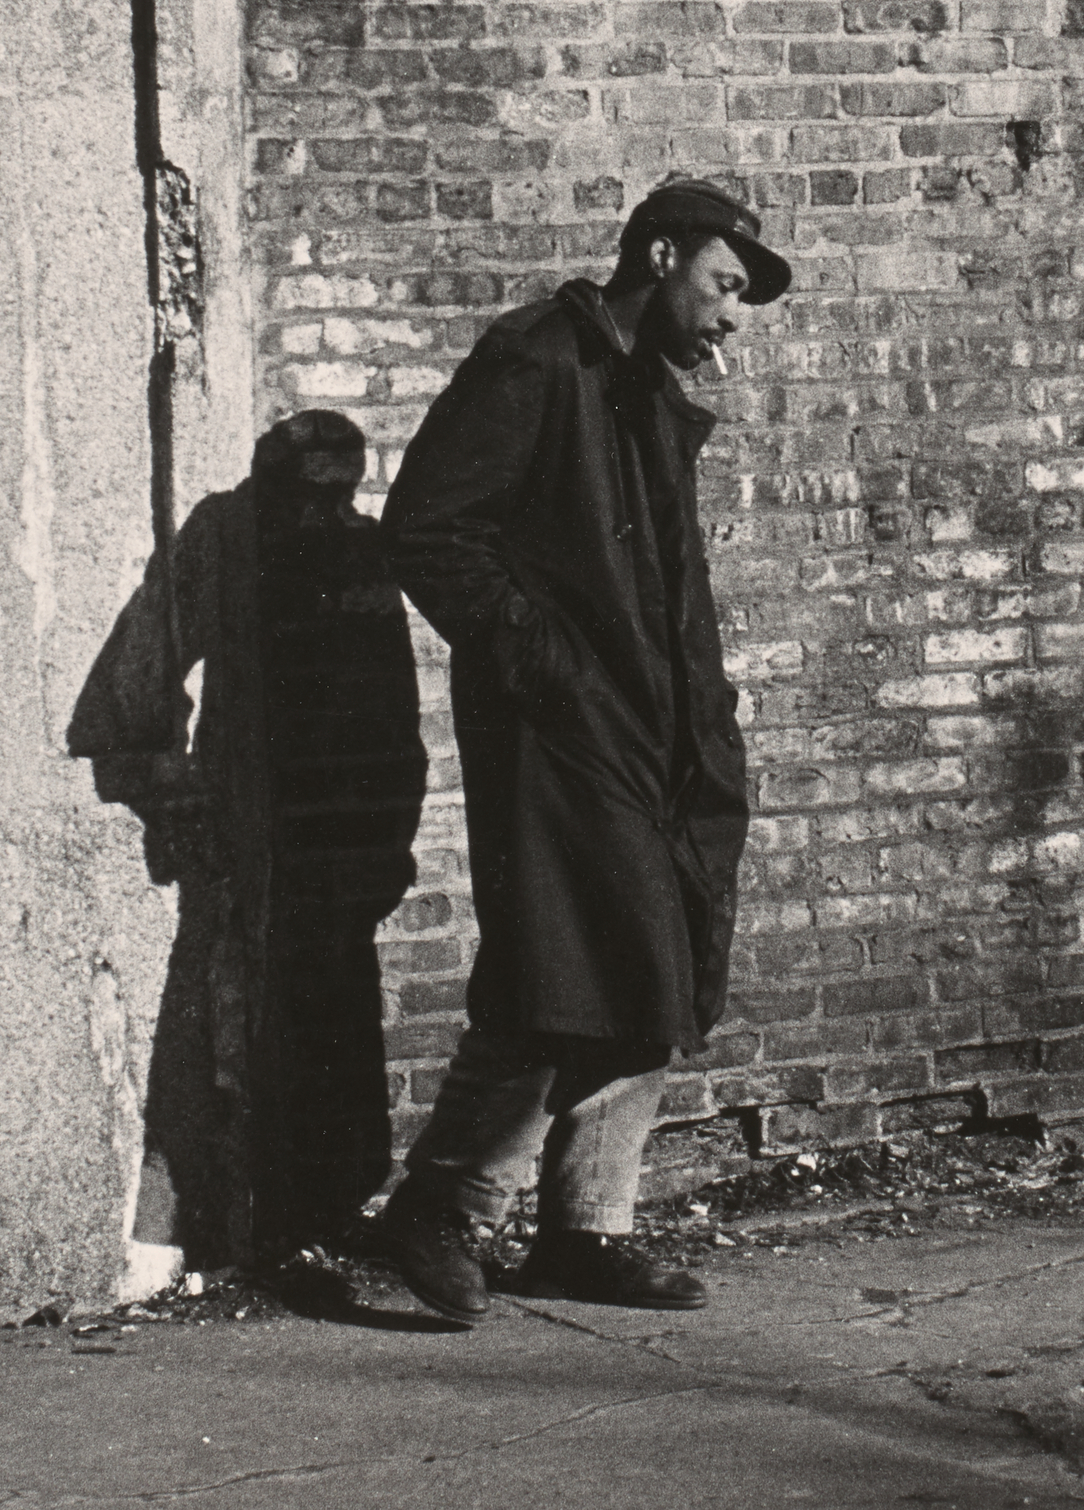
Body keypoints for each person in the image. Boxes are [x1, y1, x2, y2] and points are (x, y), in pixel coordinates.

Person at [372, 177, 791, 1321]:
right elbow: (428, 531)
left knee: (657, 962)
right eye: (723, 283)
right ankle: (443, 1206)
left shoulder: (641, 384)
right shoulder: (539, 358)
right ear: (659, 256)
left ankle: (588, 1230)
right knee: (564, 969)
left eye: (743, 297)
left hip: (662, 731)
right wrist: (547, 674)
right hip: (564, 733)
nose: (733, 313)